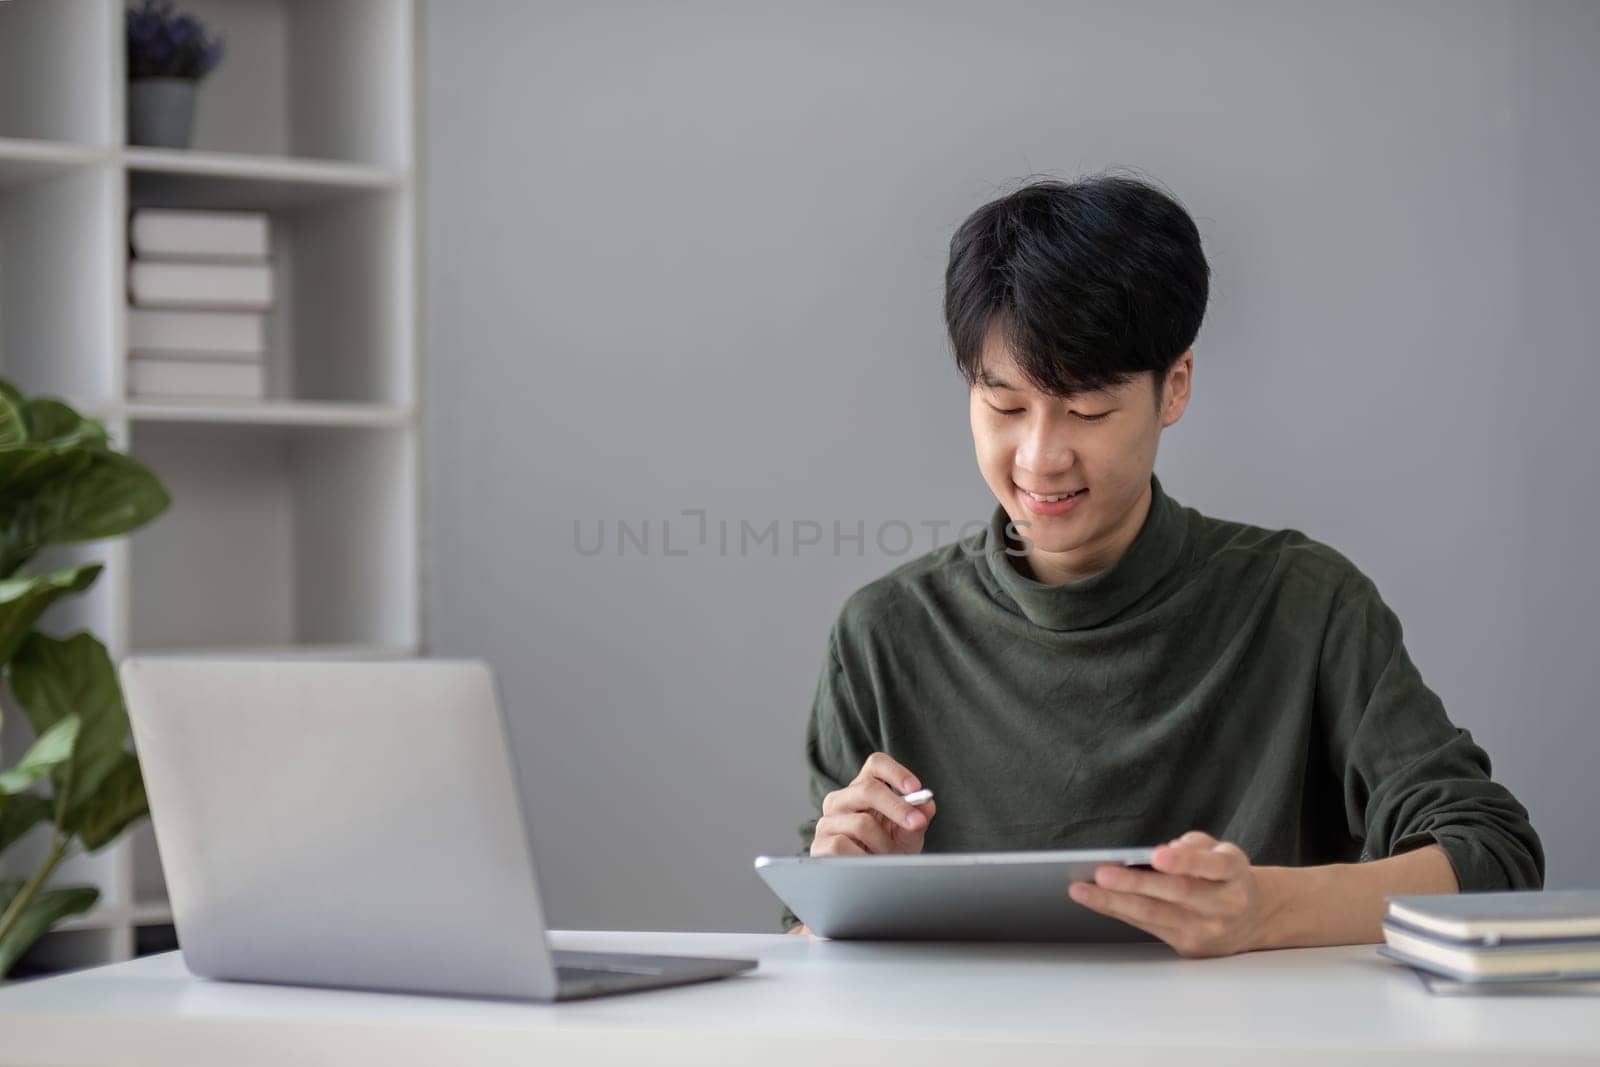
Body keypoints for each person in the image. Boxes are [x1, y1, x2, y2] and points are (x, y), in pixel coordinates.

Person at [785, 174, 1543, 957]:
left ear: (1173, 386)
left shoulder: (1303, 604)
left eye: (1086, 410)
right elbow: (815, 965)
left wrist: (1268, 908)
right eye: (1005, 407)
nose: (1041, 458)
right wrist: (842, 894)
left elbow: (1494, 857)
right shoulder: (885, 635)